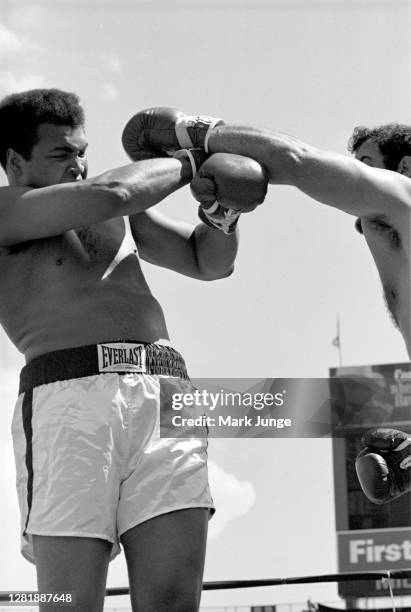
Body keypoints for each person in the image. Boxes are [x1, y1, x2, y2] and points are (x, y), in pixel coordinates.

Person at [0, 89, 267, 612]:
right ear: (14, 162)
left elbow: (208, 262)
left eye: (82, 152)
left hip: (165, 391)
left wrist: (222, 213)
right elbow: (114, 194)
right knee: (67, 604)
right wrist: (194, 157)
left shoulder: (118, 206)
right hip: (67, 402)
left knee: (172, 603)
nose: (78, 165)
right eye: (61, 155)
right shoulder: (10, 208)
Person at [123, 108, 411, 506]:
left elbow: (296, 160)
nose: (350, 176)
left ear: (405, 167)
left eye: (364, 166)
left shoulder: (404, 197)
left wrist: (191, 136)